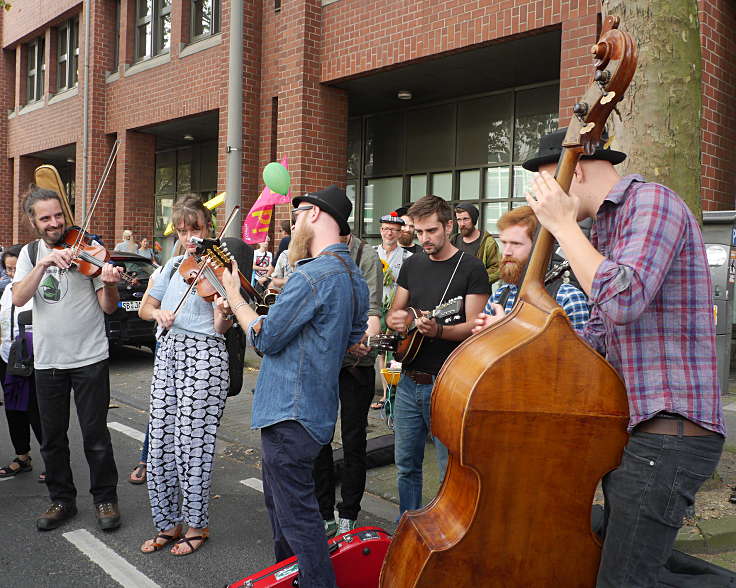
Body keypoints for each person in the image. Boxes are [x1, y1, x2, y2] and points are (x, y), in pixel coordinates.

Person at [517, 128, 724, 587]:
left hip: (670, 430)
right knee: (627, 567)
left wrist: (565, 228)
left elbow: (622, 300)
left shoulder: (652, 203)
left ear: (581, 169)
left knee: (625, 579)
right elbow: (599, 334)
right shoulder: (606, 226)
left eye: (548, 185)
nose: (543, 201)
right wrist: (522, 345)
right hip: (640, 428)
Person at [219, 184, 368, 588]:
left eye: (299, 215)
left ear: (316, 215)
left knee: (297, 520)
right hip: (316, 411)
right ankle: (289, 580)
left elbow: (265, 340)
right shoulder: (353, 277)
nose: (295, 223)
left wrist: (233, 295)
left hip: (289, 411)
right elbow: (353, 342)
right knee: (289, 512)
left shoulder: (312, 276)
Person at [13, 185, 123, 532]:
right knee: (52, 438)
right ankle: (62, 500)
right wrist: (44, 264)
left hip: (89, 357)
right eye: (45, 218)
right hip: (48, 361)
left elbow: (109, 307)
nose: (54, 223)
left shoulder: (88, 251)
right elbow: (18, 298)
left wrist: (109, 282)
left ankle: (105, 498)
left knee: (95, 435)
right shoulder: (31, 254)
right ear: (33, 221)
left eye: (58, 215)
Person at [138, 195, 232, 556]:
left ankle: (196, 525)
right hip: (169, 352)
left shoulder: (223, 266)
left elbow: (222, 326)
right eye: (182, 230)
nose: (190, 237)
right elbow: (147, 306)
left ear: (209, 228)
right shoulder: (172, 264)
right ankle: (167, 523)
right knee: (159, 443)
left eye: (195, 229)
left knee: (192, 445)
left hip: (205, 355)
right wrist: (157, 315)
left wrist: (223, 308)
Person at [386, 195, 489, 515]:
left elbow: (476, 326)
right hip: (408, 381)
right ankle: (408, 527)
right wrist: (397, 320)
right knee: (406, 466)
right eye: (418, 232)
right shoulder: (413, 264)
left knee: (449, 470)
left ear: (448, 226)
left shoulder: (471, 268)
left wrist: (440, 331)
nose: (424, 239)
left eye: (431, 231)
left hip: (448, 383)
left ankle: (447, 532)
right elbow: (394, 313)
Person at [313, 231, 382, 537]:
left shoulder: (364, 255)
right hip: (325, 360)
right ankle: (324, 511)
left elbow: (373, 309)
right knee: (319, 436)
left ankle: (349, 512)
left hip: (356, 364)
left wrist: (363, 337)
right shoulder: (314, 249)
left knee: (354, 439)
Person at [472, 206, 589, 334]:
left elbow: (574, 352)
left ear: (538, 248)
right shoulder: (500, 296)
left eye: (516, 244)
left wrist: (507, 331)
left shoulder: (567, 297)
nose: (506, 252)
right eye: (504, 243)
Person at [0, 244, 44, 482]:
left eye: (17, 269)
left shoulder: (38, 291)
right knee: (14, 409)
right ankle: (22, 457)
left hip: (34, 359)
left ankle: (53, 461)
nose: (13, 274)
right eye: (8, 269)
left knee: (37, 411)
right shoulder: (6, 290)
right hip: (7, 357)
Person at [372, 212, 413, 410]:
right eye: (386, 229)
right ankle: (385, 393)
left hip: (396, 311)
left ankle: (394, 395)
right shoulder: (371, 254)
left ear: (399, 233)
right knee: (380, 352)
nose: (389, 233)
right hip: (376, 310)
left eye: (394, 230)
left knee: (395, 353)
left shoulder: (408, 257)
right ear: (381, 231)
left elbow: (411, 285)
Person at [450, 202, 500, 286]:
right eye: (459, 219)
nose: (462, 224)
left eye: (466, 219)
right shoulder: (453, 240)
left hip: (478, 293)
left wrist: (475, 280)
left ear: (473, 220)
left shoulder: (487, 242)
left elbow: (497, 269)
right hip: (455, 292)